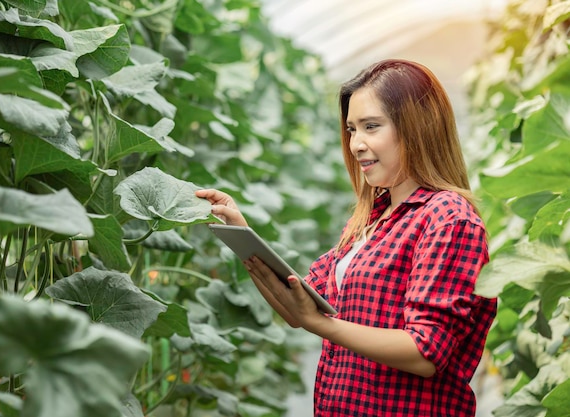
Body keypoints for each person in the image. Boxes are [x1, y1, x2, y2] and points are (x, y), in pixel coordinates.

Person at [196, 59, 497, 417]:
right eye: (352, 129)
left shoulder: (447, 219)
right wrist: (243, 235)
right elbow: (301, 308)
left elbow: (424, 353)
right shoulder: (370, 218)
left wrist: (322, 324)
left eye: (372, 127)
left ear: (418, 126)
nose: (356, 144)